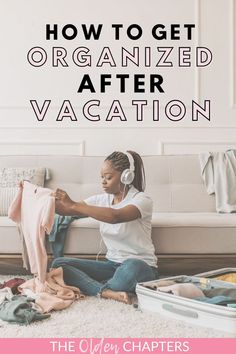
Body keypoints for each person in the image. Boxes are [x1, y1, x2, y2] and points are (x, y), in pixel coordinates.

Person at [51, 150, 158, 304]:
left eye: (108, 177)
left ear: (125, 176)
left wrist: (73, 204)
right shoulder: (101, 199)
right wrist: (37, 196)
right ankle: (108, 291)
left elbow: (115, 216)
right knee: (59, 264)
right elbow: (67, 209)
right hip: (111, 265)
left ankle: (94, 285)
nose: (103, 181)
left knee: (131, 267)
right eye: (102, 177)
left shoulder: (142, 200)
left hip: (140, 266)